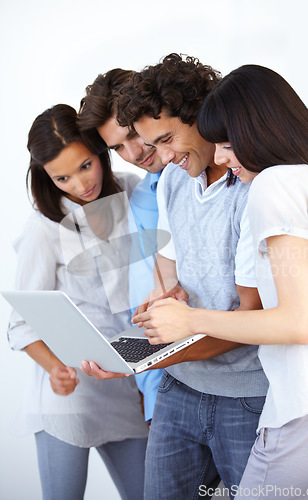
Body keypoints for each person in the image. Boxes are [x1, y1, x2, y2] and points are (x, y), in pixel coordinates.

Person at [134, 64, 308, 497]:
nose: (223, 157)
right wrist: (173, 306)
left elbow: (292, 323)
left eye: (227, 142)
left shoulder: (271, 186)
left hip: (296, 406)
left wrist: (188, 323)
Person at [116, 54, 268, 499]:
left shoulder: (254, 187)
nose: (161, 158)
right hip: (180, 390)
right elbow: (170, 269)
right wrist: (164, 298)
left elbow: (250, 316)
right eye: (150, 145)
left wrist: (151, 357)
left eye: (166, 139)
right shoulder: (172, 182)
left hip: (247, 395)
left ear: (200, 114)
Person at [7, 104, 148, 500]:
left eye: (86, 166)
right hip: (68, 392)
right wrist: (55, 370)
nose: (80, 184)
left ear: (99, 151)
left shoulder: (133, 193)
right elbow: (20, 323)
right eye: (62, 177)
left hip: (125, 386)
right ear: (47, 177)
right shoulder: (43, 228)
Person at [77, 69, 166, 421]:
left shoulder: (203, 179)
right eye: (117, 147)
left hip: (211, 375)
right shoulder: (141, 194)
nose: (132, 152)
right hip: (155, 386)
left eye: (133, 135)